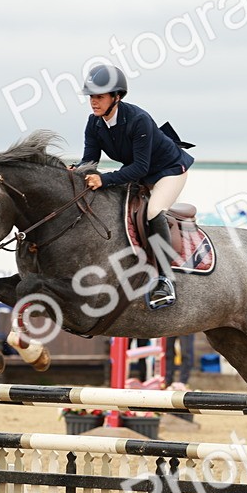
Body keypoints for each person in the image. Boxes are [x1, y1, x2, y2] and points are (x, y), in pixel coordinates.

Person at [79, 64, 194, 310]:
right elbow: (89, 161)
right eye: (91, 97)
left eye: (99, 97)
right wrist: (77, 173)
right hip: (139, 174)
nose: (93, 102)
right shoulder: (94, 123)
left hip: (168, 171)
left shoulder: (138, 119)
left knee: (153, 212)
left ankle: (165, 279)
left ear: (116, 97)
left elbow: (141, 168)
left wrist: (105, 179)